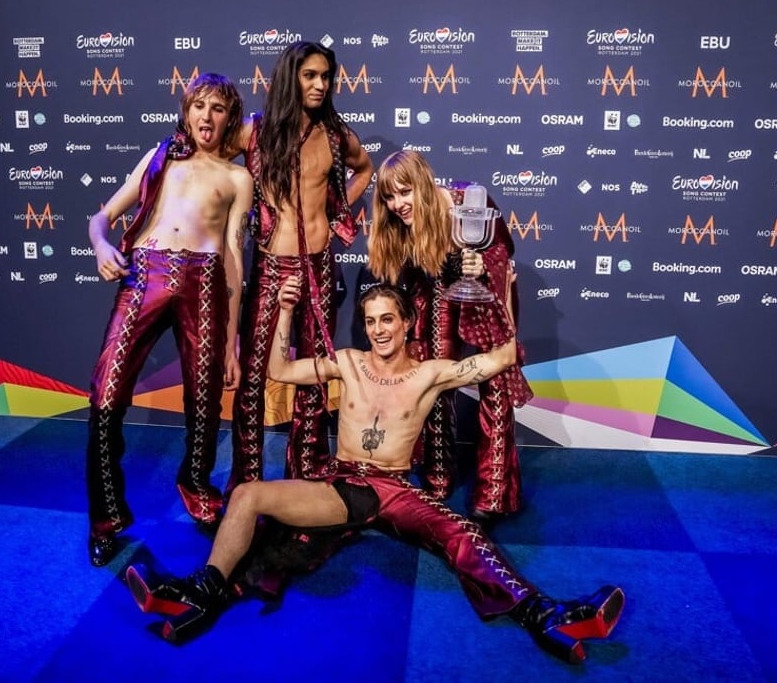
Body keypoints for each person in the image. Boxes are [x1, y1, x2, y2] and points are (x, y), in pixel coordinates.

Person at [125, 278, 624, 665]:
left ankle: (547, 616)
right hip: (342, 484)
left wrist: (500, 292)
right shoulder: (349, 363)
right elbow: (280, 369)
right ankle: (199, 593)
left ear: (407, 323)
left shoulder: (430, 373)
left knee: (461, 532)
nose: (379, 329)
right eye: (370, 321)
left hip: (391, 487)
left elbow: (501, 357)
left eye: (388, 319)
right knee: (251, 500)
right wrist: (284, 311)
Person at [85, 73, 253, 566]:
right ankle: (105, 518)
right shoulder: (160, 157)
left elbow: (234, 260)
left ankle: (197, 485)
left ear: (230, 118)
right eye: (199, 106)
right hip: (145, 274)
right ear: (186, 111)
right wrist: (100, 245)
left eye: (218, 108)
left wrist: (231, 345)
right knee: (106, 395)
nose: (206, 116)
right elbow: (102, 216)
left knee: (204, 401)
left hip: (204, 283)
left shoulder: (238, 178)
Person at [228, 40, 373, 491]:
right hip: (271, 265)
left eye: (326, 77)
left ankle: (306, 475)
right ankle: (245, 482)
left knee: (313, 373)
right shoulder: (254, 131)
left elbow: (365, 168)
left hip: (320, 265)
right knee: (253, 377)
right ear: (291, 77)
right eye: (310, 75)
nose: (320, 84)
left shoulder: (334, 133)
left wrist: (336, 217)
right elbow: (208, 159)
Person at [367, 150, 532, 525]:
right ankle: (436, 476)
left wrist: (475, 263)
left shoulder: (467, 200)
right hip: (436, 290)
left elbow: (503, 252)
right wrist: (446, 266)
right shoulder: (396, 222)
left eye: (404, 193)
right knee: (434, 371)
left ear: (423, 185)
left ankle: (494, 491)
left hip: (487, 292)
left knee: (494, 380)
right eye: (390, 197)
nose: (397, 205)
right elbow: (410, 271)